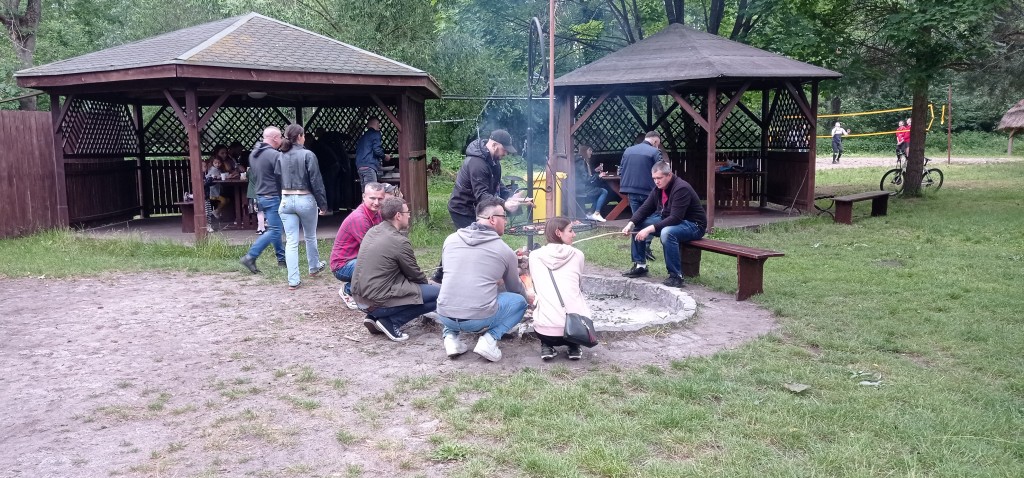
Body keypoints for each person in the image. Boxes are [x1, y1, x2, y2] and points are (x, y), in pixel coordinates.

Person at [436, 198, 532, 362]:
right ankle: (489, 340)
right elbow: (515, 289)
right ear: (493, 219)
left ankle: (451, 338)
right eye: (504, 216)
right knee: (519, 302)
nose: (505, 221)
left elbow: (455, 274)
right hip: (477, 320)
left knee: (456, 290)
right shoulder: (504, 250)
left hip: (444, 315)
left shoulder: (450, 239)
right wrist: (529, 300)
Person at [437, 128, 532, 282]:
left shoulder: (494, 162)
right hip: (462, 207)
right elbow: (482, 195)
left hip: (477, 208)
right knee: (470, 239)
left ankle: (443, 276)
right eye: (504, 149)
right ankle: (448, 276)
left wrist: (511, 197)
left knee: (473, 239)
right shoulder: (476, 163)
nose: (506, 153)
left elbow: (498, 186)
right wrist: (504, 204)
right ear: (494, 145)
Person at [351, 197, 439, 342]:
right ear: (398, 215)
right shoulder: (399, 242)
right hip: (376, 300)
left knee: (417, 291)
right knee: (439, 296)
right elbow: (415, 275)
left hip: (359, 297)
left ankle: (374, 318)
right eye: (407, 212)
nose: (409, 216)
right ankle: (391, 322)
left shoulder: (373, 231)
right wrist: (427, 286)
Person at [620, 161, 707, 288]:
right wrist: (630, 224)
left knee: (667, 233)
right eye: (654, 178)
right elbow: (645, 208)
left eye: (659, 178)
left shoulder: (681, 188)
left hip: (694, 225)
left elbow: (675, 218)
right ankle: (640, 266)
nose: (656, 181)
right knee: (638, 226)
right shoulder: (658, 189)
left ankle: (676, 276)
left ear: (669, 175)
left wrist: (649, 229)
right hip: (673, 221)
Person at [275, 124, 329, 290]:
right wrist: (323, 204)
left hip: (286, 199)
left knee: (291, 241)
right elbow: (316, 181)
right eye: (304, 135)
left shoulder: (280, 156)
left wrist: (281, 198)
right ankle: (314, 267)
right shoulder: (308, 154)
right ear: (299, 136)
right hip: (305, 198)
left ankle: (293, 280)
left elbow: (276, 179)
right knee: (310, 236)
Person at [528, 217, 590, 360]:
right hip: (575, 330)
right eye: (571, 230)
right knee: (578, 297)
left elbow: (536, 285)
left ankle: (546, 346)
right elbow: (578, 284)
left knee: (542, 300)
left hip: (545, 331)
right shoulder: (578, 255)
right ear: (558, 232)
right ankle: (574, 346)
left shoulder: (534, 256)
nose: (574, 234)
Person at [330, 182, 385, 309]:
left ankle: (367, 290)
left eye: (380, 199)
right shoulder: (359, 218)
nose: (376, 202)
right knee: (380, 265)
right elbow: (374, 248)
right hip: (342, 266)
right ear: (364, 197)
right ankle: (348, 290)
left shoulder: (377, 214)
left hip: (357, 260)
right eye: (372, 198)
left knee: (383, 264)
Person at [239, 127, 286, 273]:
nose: (282, 140)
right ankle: (250, 256)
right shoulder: (274, 155)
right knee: (275, 230)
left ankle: (281, 259)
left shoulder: (254, 154)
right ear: (275, 138)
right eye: (280, 137)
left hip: (260, 194)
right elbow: (281, 175)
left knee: (274, 228)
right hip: (272, 195)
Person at [619, 131, 663, 260]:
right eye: (658, 144)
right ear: (655, 141)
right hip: (649, 192)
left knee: (637, 221)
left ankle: (639, 258)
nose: (657, 146)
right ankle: (646, 246)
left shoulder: (628, 150)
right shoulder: (655, 152)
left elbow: (620, 170)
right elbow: (661, 172)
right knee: (653, 219)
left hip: (631, 191)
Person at [574, 144, 609, 222]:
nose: (591, 152)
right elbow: (586, 178)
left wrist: (595, 170)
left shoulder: (581, 160)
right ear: (585, 151)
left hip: (580, 187)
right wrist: (598, 175)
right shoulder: (580, 161)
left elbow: (584, 174)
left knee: (599, 190)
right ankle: (596, 213)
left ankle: (590, 213)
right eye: (590, 150)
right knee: (604, 191)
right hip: (581, 188)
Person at [354, 117, 390, 192]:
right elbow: (377, 150)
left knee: (365, 192)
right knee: (372, 192)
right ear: (377, 124)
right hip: (369, 166)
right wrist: (385, 157)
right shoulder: (375, 134)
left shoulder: (363, 137)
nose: (379, 126)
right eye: (379, 124)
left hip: (360, 167)